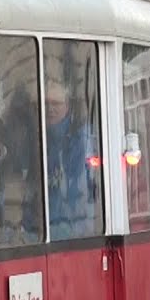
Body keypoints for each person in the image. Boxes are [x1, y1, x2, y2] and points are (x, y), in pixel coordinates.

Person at [44, 79, 99, 240]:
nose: (50, 108)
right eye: (46, 103)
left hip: (75, 230)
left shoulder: (81, 138)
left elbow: (81, 187)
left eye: (56, 103)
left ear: (67, 106)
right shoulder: (39, 138)